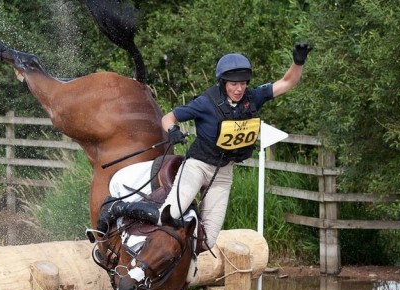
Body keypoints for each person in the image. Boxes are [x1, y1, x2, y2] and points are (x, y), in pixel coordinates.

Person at [98, 43, 311, 252]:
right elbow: (169, 117)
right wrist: (173, 130)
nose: (239, 89)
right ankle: (119, 208)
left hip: (223, 173)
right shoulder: (206, 103)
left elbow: (287, 82)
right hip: (197, 166)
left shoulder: (253, 97)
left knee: (207, 241)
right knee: (170, 215)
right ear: (223, 83)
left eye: (243, 83)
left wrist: (298, 62)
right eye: (233, 84)